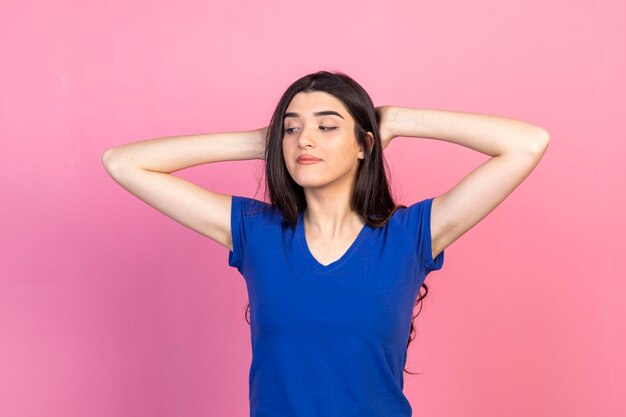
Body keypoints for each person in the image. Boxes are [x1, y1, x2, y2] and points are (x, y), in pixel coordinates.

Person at [102, 70, 550, 417]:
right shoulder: (255, 230)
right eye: (292, 129)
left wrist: (398, 119)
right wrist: (259, 142)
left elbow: (527, 144)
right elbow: (124, 163)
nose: (306, 140)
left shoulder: (410, 235)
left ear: (364, 145)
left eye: (328, 126)